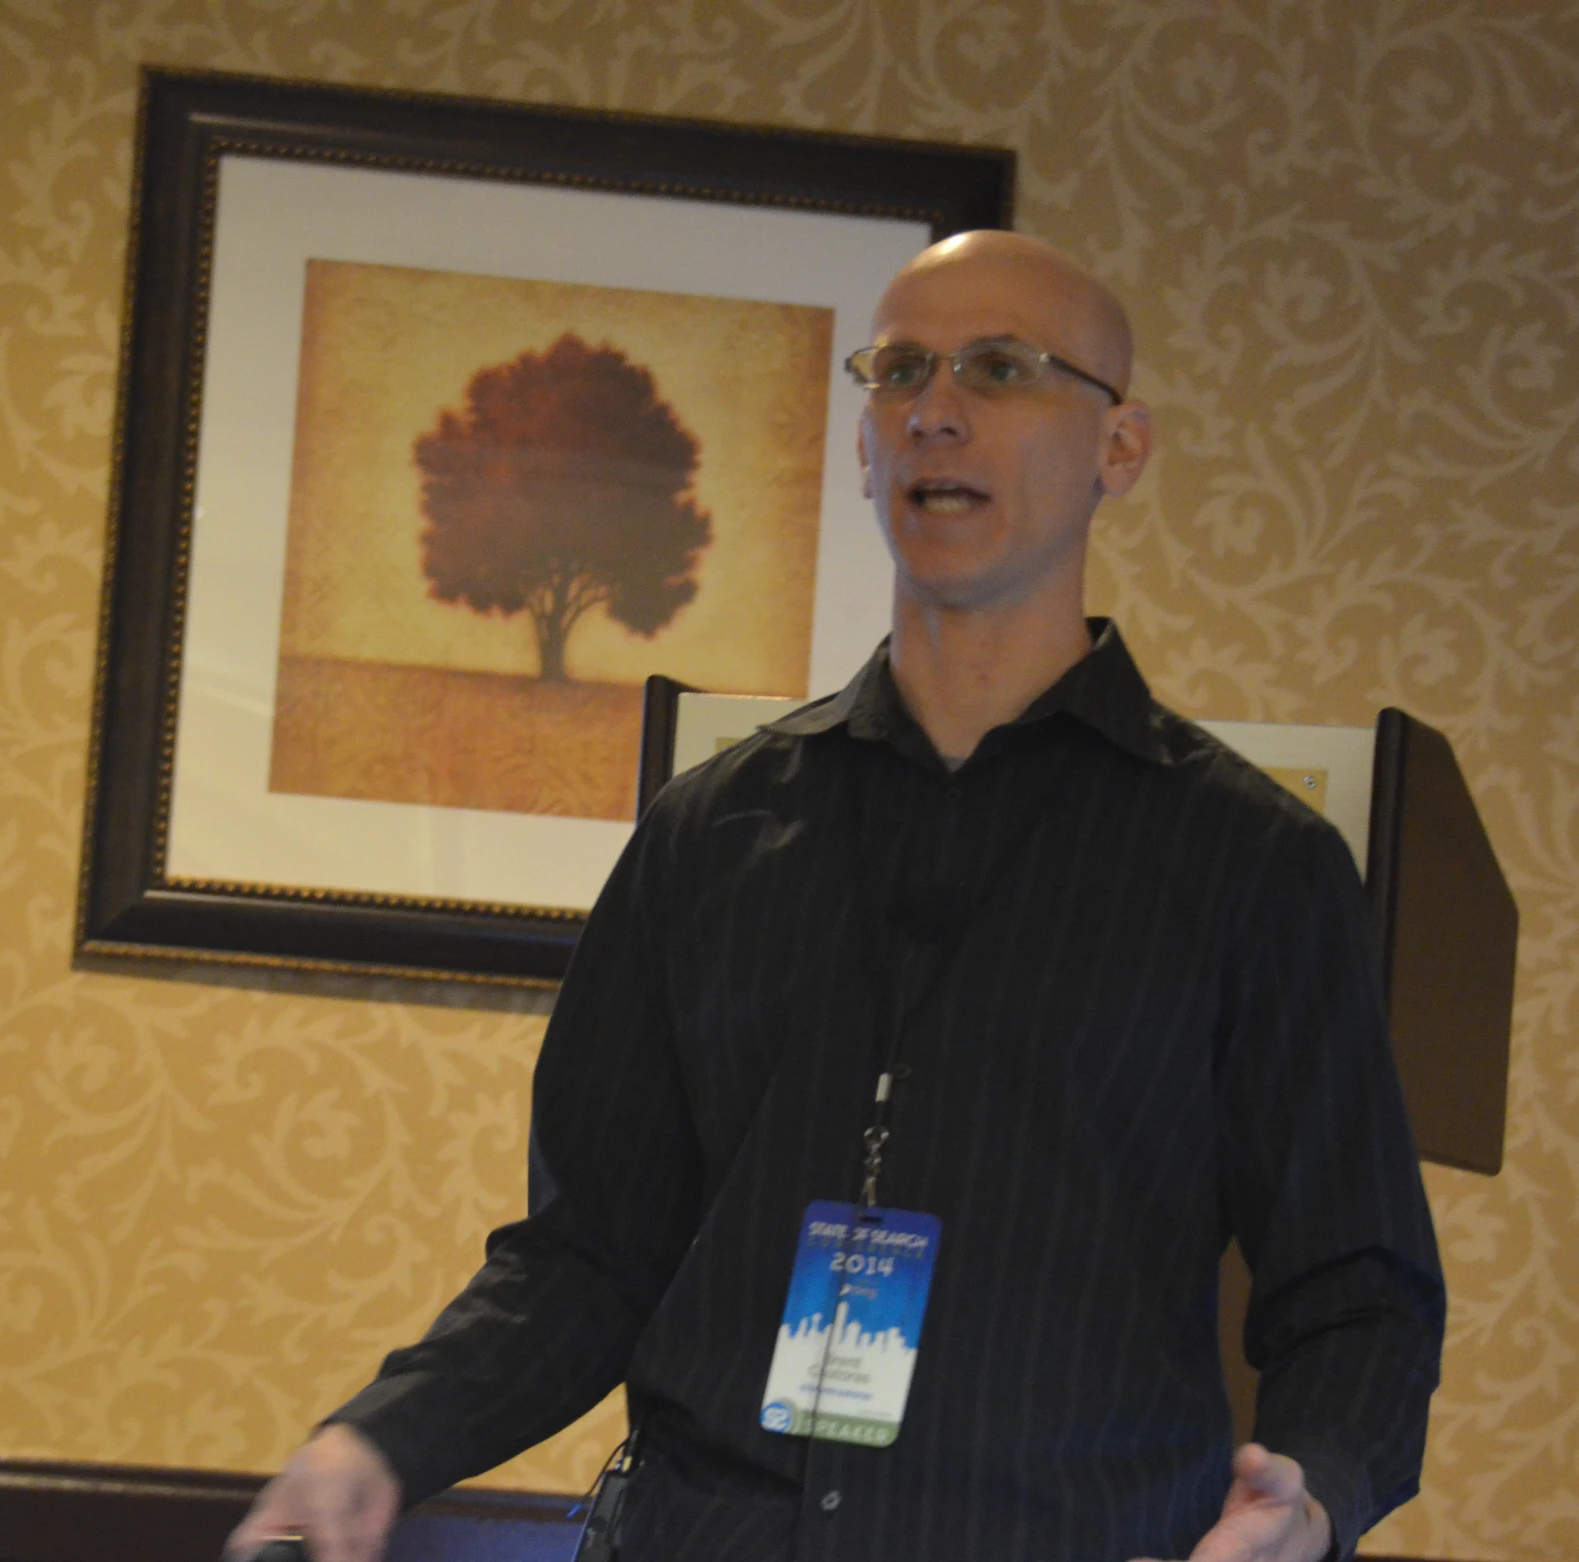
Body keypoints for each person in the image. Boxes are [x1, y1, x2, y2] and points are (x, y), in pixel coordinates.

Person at [226, 230, 1444, 1562]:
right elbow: (582, 1260)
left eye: (999, 367)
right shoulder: (709, 831)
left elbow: (1356, 1291)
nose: (935, 408)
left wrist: (1310, 1501)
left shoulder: (1251, 864)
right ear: (865, 448)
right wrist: (374, 1441)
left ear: (1120, 449)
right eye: (900, 371)